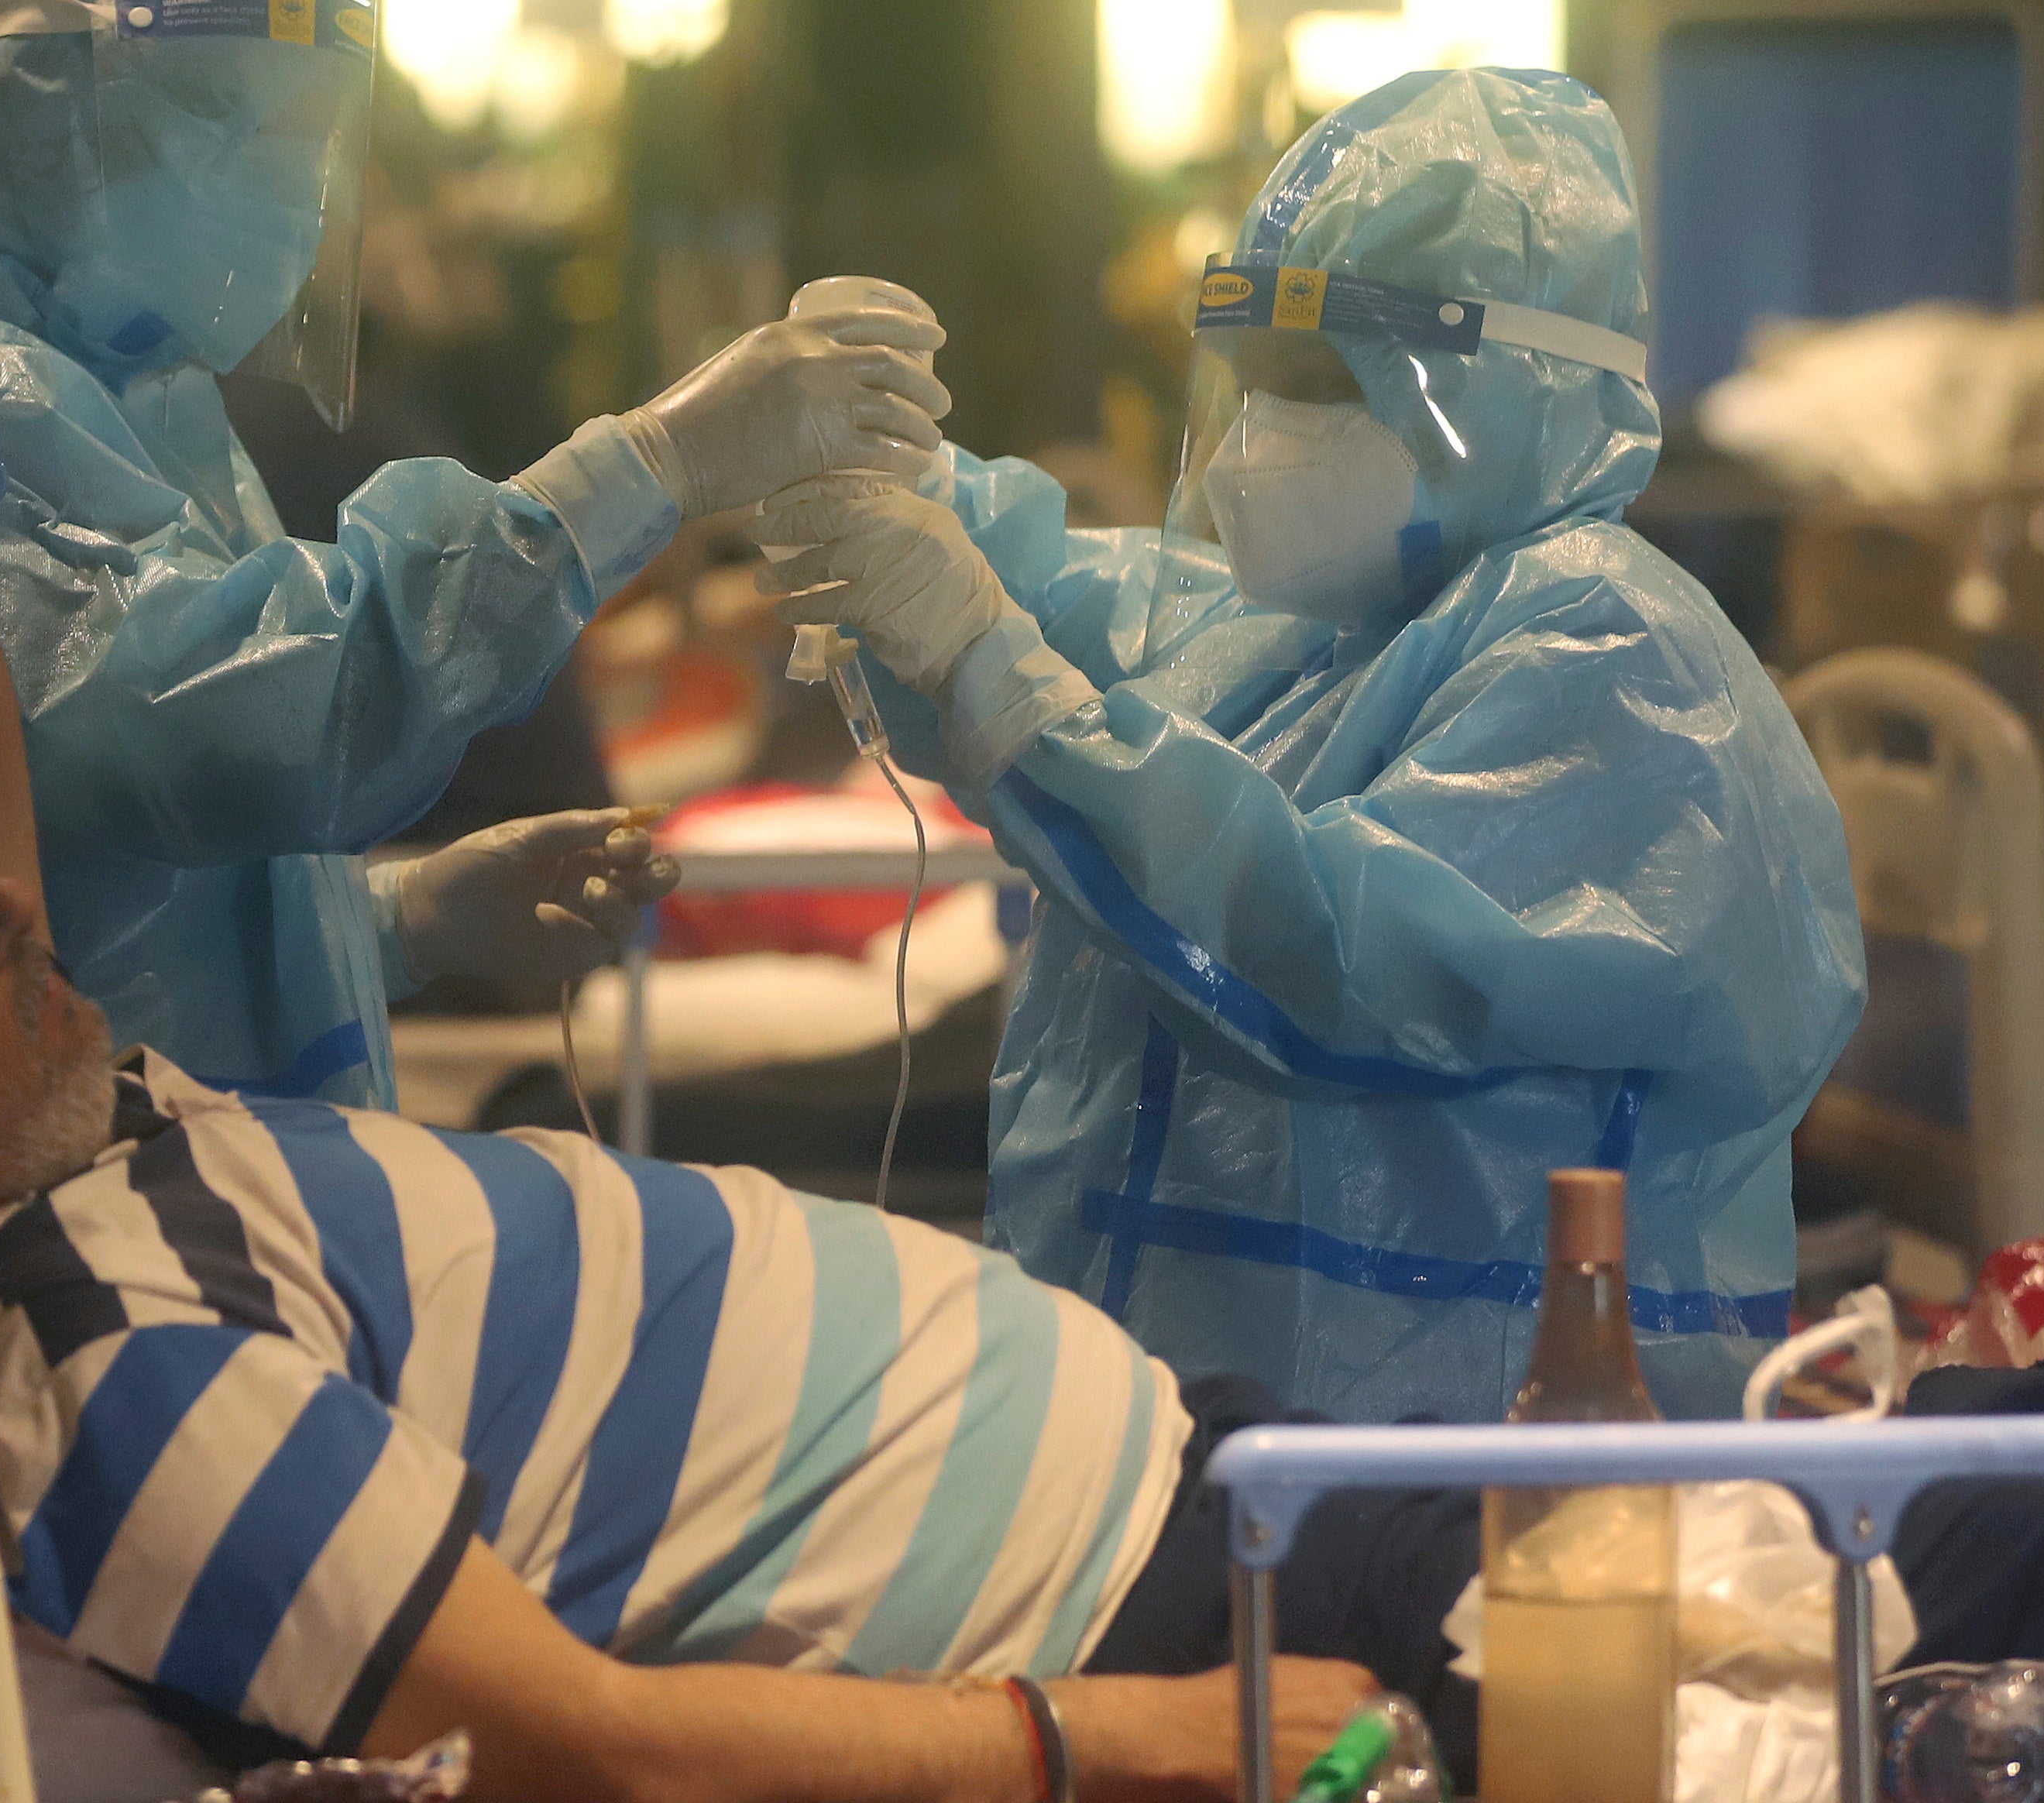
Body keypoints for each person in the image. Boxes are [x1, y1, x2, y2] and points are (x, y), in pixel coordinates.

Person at [0, 539, 1381, 1803]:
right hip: (1133, 1602)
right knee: (1645, 1657)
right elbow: (593, 1758)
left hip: (1164, 1467)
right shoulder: (111, 1367)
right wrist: (1133, 1736)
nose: (1, 907)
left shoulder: (6, 1140)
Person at [0, 0, 945, 1106]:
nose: (287, 185)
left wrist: (398, 923)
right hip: (32, 1215)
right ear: (47, 96)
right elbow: (230, 725)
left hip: (170, 1185)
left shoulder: (134, 401)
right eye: (238, 124)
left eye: (306, 134)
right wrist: (649, 464)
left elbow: (125, 878)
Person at [755, 68, 1864, 1420]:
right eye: (1251, 381)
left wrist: (994, 670)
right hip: (1238, 1420)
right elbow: (1111, 616)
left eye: (1321, 382)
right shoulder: (1341, 623)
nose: (1263, 436)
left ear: (1507, 386)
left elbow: (1330, 954)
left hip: (1487, 1451)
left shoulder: (1608, 653)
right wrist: (907, 478)